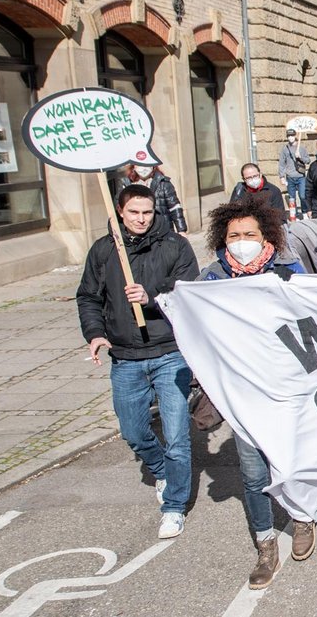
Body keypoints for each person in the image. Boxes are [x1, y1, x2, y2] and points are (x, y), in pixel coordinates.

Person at [197, 198, 315, 588]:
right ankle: (265, 543)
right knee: (252, 471)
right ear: (222, 239)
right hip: (240, 392)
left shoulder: (287, 270)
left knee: (290, 459)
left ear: (266, 236)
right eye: (234, 236)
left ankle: (301, 517)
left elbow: (312, 316)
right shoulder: (210, 280)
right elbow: (193, 327)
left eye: (250, 234)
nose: (242, 241)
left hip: (284, 386)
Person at [76, 184, 199, 539]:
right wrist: (96, 333)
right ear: (120, 211)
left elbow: (188, 290)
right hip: (126, 356)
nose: (142, 219)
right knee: (133, 431)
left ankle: (174, 505)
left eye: (147, 212)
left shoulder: (174, 245)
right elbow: (88, 296)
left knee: (177, 437)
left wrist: (151, 297)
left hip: (169, 352)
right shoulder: (103, 251)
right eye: (134, 213)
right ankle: (160, 468)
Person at [119, 163, 187, 234]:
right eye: (139, 164)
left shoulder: (163, 183)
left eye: (147, 164)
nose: (144, 168)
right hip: (138, 232)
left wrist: (181, 230)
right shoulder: (126, 184)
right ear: (133, 166)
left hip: (162, 231)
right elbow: (120, 211)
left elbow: (175, 208)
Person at [278, 129, 310, 219]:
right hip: (290, 177)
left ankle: (304, 212)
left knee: (302, 196)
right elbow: (282, 163)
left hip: (301, 176)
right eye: (289, 136)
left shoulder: (301, 148)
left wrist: (300, 157)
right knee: (292, 198)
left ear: (295, 136)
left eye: (292, 135)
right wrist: (282, 176)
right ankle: (294, 214)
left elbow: (308, 160)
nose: (290, 137)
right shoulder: (285, 149)